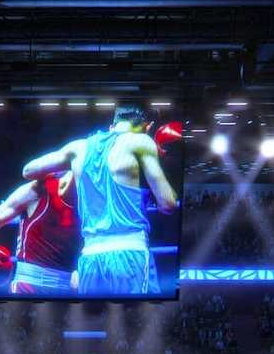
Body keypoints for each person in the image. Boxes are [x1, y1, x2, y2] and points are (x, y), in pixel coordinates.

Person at [22, 105, 181, 296]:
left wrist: (72, 169)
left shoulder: (78, 148)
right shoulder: (141, 141)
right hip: (130, 253)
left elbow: (28, 170)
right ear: (148, 126)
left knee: (97, 315)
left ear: (112, 126)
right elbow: (167, 204)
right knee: (140, 314)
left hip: (89, 258)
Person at [0, 175, 81, 295]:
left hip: (67, 291)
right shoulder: (39, 190)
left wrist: (81, 269)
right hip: (28, 286)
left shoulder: (93, 203)